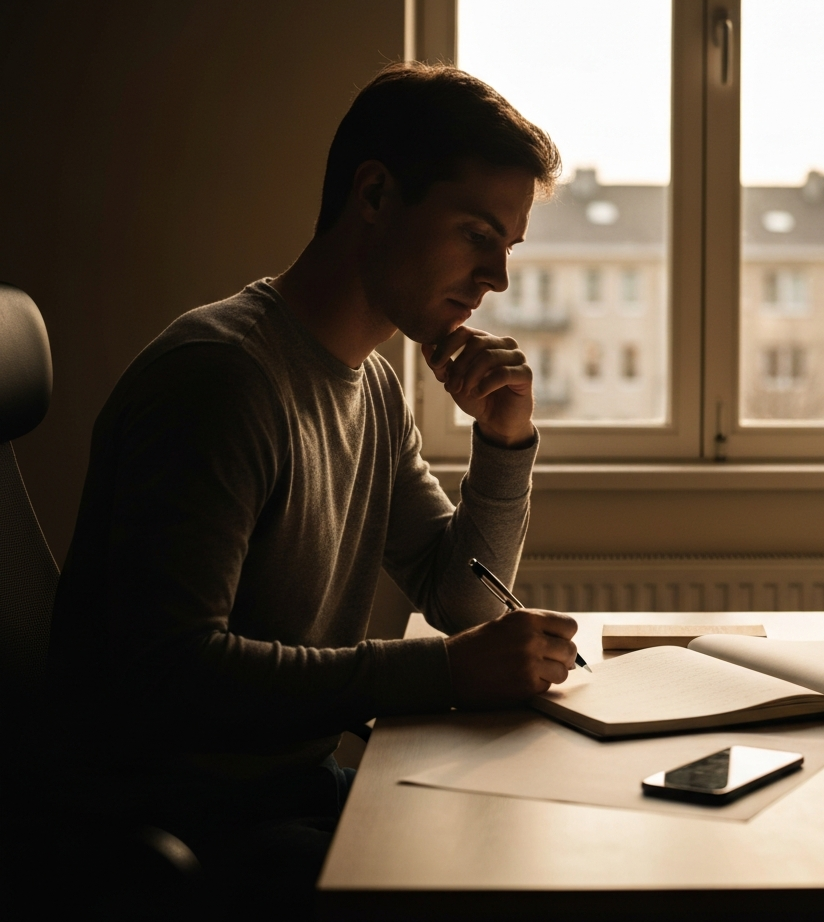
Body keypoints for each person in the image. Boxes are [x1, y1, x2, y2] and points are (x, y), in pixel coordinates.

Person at [45, 63, 581, 919]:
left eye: (508, 247)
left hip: (289, 787)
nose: (498, 281)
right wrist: (439, 671)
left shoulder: (369, 387)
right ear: (374, 195)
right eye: (477, 234)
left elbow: (460, 599)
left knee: (528, 841)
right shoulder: (221, 379)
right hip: (187, 821)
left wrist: (504, 439)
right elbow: (171, 674)